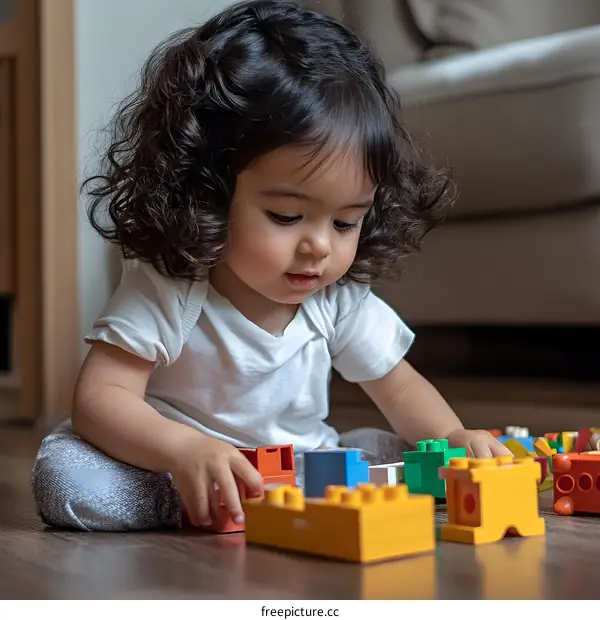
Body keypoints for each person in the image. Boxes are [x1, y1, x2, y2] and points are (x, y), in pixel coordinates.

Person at [31, 0, 511, 533]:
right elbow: (101, 398)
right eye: (286, 216)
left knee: (394, 452)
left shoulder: (335, 298)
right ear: (208, 193)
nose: (319, 248)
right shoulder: (172, 286)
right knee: (69, 481)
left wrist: (451, 440)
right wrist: (182, 449)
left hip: (301, 466)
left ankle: (291, 488)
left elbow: (398, 388)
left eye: (345, 223)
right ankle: (197, 498)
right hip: (172, 464)